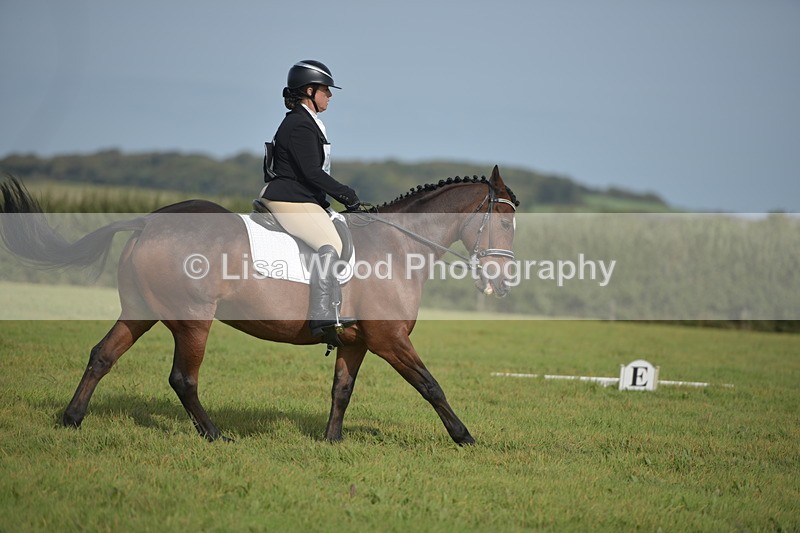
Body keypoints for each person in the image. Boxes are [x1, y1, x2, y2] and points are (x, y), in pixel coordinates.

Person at [261, 60, 360, 342]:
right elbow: (312, 173)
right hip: (289, 199)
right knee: (329, 245)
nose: (329, 95)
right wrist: (346, 194)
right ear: (309, 90)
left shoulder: (308, 122)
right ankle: (322, 316)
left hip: (302, 199)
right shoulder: (299, 125)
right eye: (326, 90)